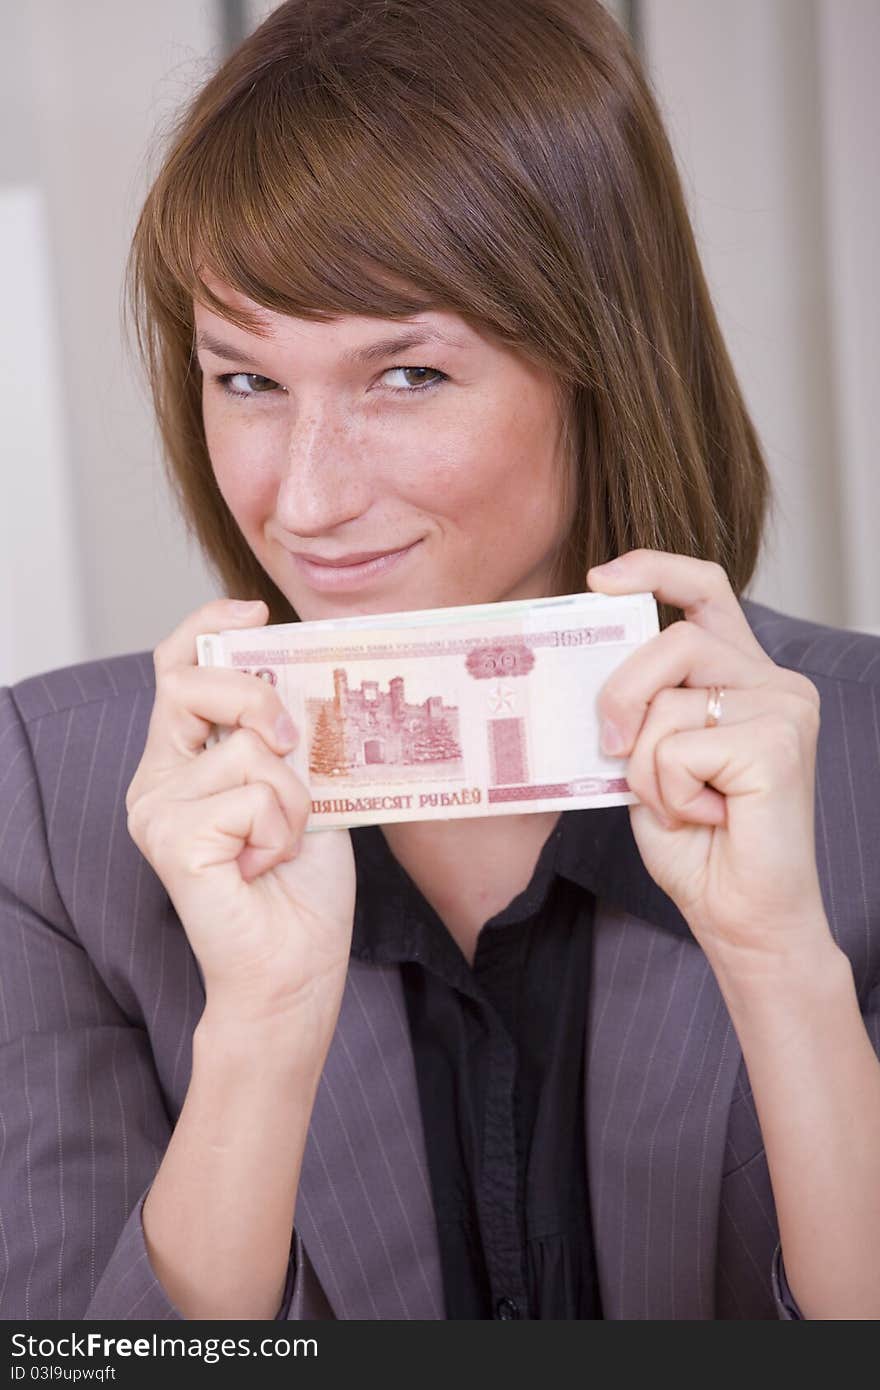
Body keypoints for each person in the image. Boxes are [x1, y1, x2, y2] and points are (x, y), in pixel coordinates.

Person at [1, 0, 878, 1322]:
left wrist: (785, 973)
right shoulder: (53, 803)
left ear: (600, 358)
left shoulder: (860, 758)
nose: (302, 501)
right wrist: (258, 1033)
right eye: (245, 380)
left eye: (405, 375)